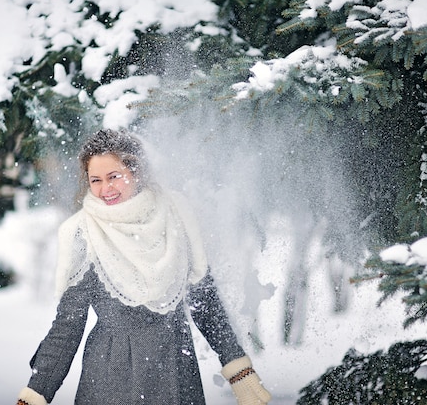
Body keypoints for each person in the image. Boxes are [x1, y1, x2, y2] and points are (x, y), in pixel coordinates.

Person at [16, 129, 271, 405]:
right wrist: (36, 393)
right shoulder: (83, 234)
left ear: (136, 172)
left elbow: (205, 303)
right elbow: (68, 326)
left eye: (114, 176)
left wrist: (238, 368)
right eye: (96, 180)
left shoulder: (175, 216)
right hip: (109, 384)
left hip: (177, 375)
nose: (105, 189)